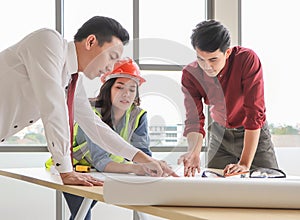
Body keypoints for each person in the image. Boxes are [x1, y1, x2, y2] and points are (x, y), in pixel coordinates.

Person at [0, 15, 175, 187]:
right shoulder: (48, 42)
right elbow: (53, 107)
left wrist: (143, 159)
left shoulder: (72, 80)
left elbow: (94, 126)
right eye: (112, 56)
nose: (111, 67)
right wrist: (66, 170)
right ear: (91, 42)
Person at [48, 58, 151, 219]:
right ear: (107, 88)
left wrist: (152, 167)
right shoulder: (89, 113)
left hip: (110, 171)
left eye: (132, 89)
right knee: (82, 213)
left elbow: (144, 154)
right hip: (73, 169)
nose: (127, 94)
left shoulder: (138, 115)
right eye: (119, 87)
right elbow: (100, 160)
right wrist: (135, 168)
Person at [178, 19, 279, 177]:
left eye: (213, 60)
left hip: (253, 134)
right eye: (200, 59)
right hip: (220, 136)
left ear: (227, 53)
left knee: (270, 187)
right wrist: (194, 152)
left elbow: (254, 112)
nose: (207, 66)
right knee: (215, 189)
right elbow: (195, 121)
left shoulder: (246, 60)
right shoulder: (190, 75)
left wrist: (245, 163)